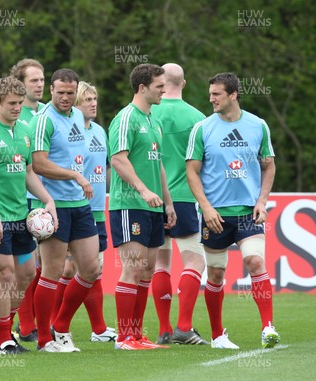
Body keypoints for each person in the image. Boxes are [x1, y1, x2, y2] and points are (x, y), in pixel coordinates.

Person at [186, 72, 280, 349]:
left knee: (255, 262)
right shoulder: (202, 128)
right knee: (215, 274)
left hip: (248, 213)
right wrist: (206, 207)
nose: (211, 98)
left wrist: (262, 201)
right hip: (215, 215)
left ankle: (268, 328)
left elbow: (269, 164)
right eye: (210, 93)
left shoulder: (258, 125)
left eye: (216, 94)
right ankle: (217, 336)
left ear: (233, 95)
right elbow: (192, 171)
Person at [0, 76, 57, 354]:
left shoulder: (25, 130)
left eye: (20, 103)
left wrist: (47, 198)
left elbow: (29, 173)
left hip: (21, 216)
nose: (17, 108)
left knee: (27, 272)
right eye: (11, 104)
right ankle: (5, 338)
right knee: (4, 274)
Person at [30, 68, 100, 352]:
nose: (65, 98)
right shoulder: (43, 120)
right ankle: (44, 339)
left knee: (91, 269)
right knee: (53, 271)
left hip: (80, 205)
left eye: (70, 93)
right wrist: (74, 175)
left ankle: (60, 327)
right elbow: (39, 163)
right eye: (60, 92)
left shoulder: (76, 117)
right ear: (51, 90)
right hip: (53, 206)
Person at [109, 63, 176, 350]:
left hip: (152, 207)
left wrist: (168, 202)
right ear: (142, 88)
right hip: (129, 204)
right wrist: (143, 190)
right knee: (132, 268)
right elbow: (118, 159)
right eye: (160, 86)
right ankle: (123, 337)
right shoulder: (126, 118)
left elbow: (158, 164)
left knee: (147, 271)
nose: (164, 90)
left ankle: (136, 335)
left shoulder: (154, 121)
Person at [51, 81, 116, 342]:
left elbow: (108, 167)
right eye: (87, 99)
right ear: (76, 105)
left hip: (98, 208)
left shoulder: (100, 131)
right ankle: (56, 325)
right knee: (69, 270)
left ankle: (94, 328)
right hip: (74, 208)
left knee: (89, 269)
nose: (93, 103)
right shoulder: (69, 131)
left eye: (95, 98)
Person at [150, 63, 208, 345]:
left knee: (161, 263)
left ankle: (164, 329)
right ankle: (184, 326)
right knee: (195, 260)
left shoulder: (147, 112)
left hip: (152, 198)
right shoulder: (198, 118)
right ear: (183, 84)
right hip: (184, 197)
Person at [9, 58, 46, 342]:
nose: (40, 84)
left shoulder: (48, 113)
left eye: (42, 79)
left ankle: (43, 323)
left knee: (49, 266)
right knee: (25, 266)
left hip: (48, 198)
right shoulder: (15, 119)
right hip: (21, 201)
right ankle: (25, 324)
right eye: (34, 80)